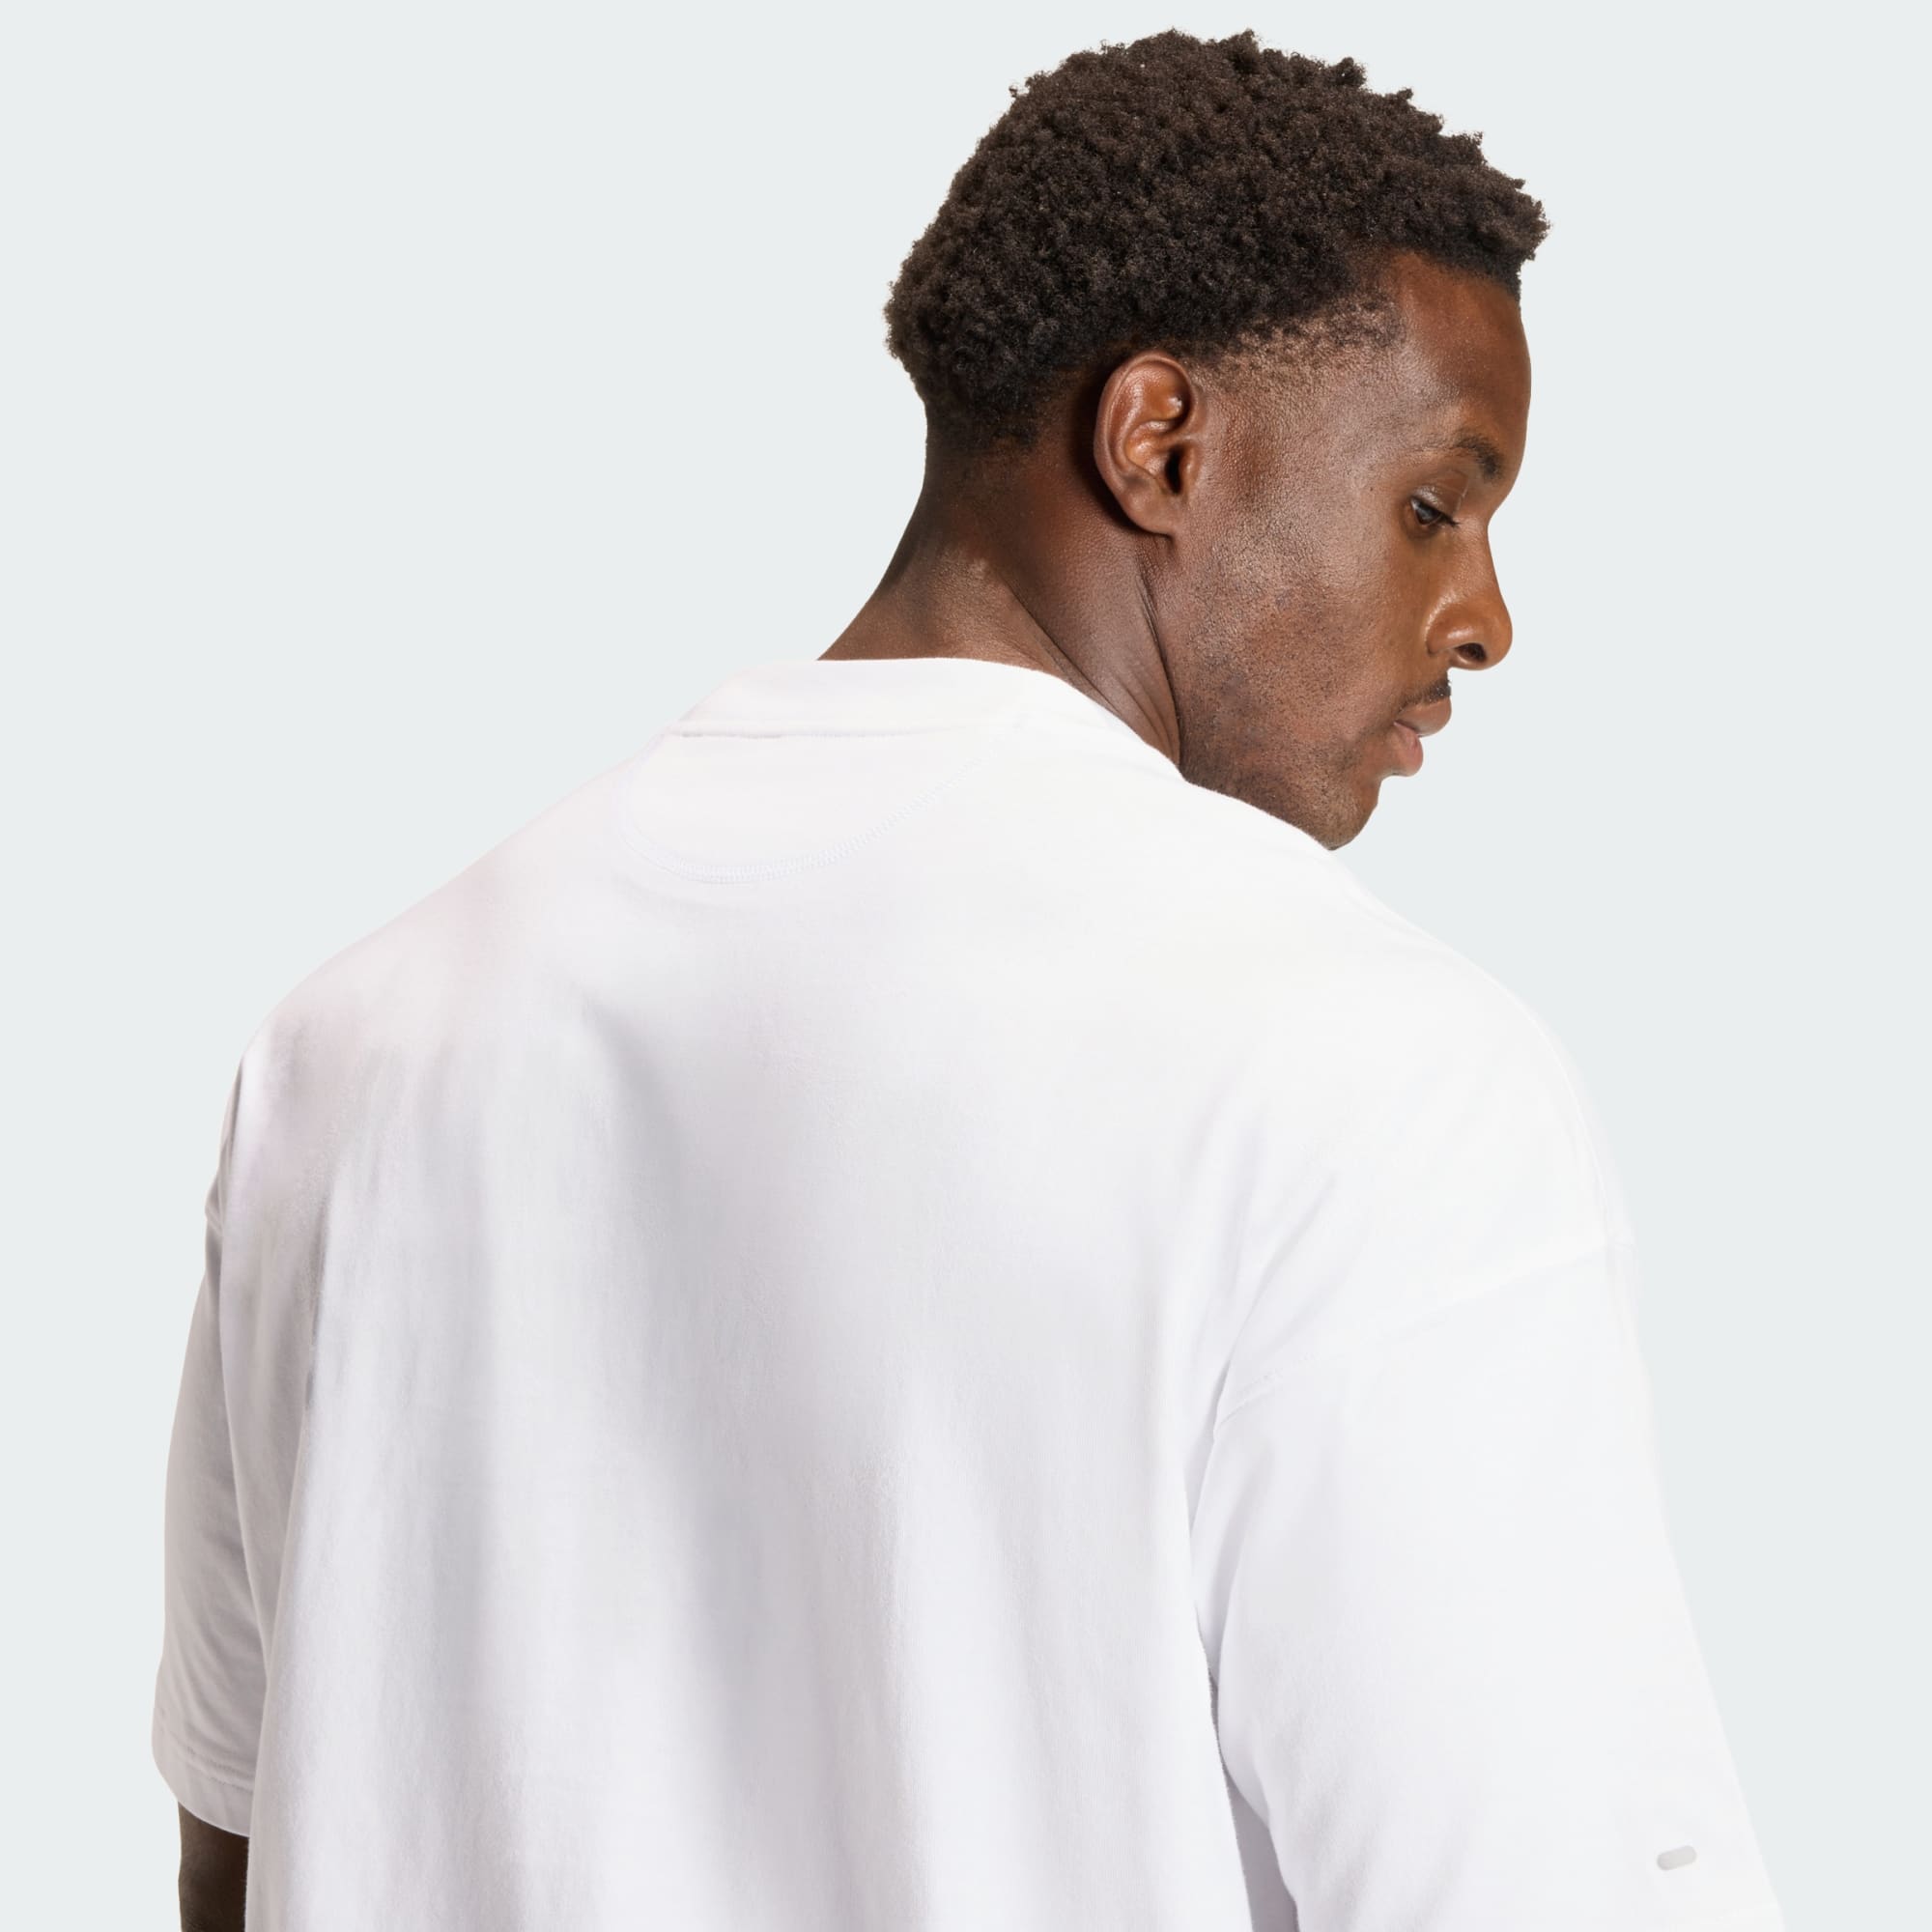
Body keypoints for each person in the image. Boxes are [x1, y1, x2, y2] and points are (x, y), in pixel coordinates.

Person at [155, 29, 1787, 1931]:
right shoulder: (1366, 1078)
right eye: (1435, 501)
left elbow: (239, 1860)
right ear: (1160, 441)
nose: (1484, 619)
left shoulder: (349, 1050)